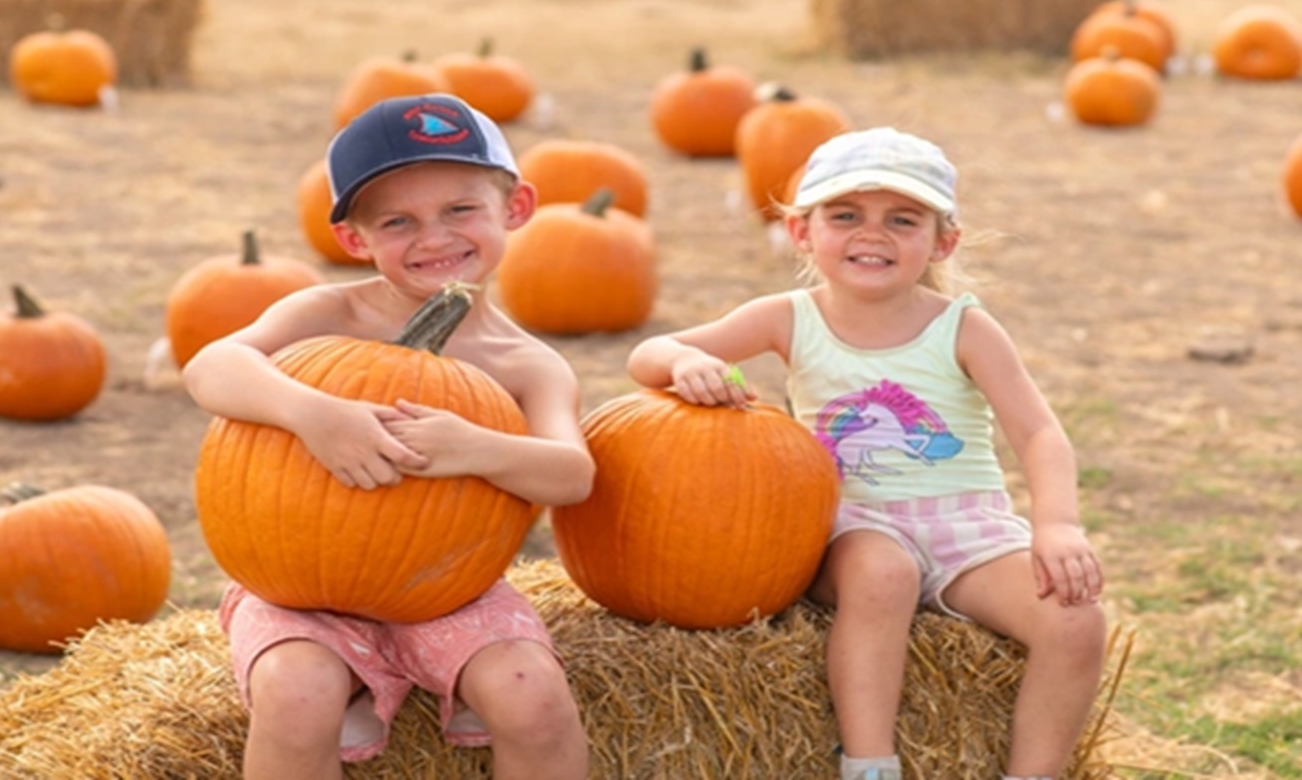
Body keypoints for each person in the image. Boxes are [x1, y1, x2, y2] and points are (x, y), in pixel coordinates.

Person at [627, 127, 1107, 780]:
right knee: (885, 577)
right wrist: (686, 360)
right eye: (845, 215)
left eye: (901, 219)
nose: (871, 234)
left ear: (943, 241)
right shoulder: (788, 317)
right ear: (802, 232)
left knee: (1074, 621)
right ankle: (870, 763)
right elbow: (645, 356)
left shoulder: (962, 326)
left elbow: (1040, 433)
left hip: (967, 528)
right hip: (853, 526)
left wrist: (1057, 526)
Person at [182, 93, 595, 780]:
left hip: (452, 588)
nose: (434, 239)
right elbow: (211, 367)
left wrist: (478, 448)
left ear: (516, 209)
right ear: (355, 240)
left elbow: (571, 474)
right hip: (296, 586)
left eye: (460, 210)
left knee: (534, 700)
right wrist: (313, 413)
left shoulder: (527, 365)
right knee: (295, 695)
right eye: (398, 221)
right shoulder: (328, 312)